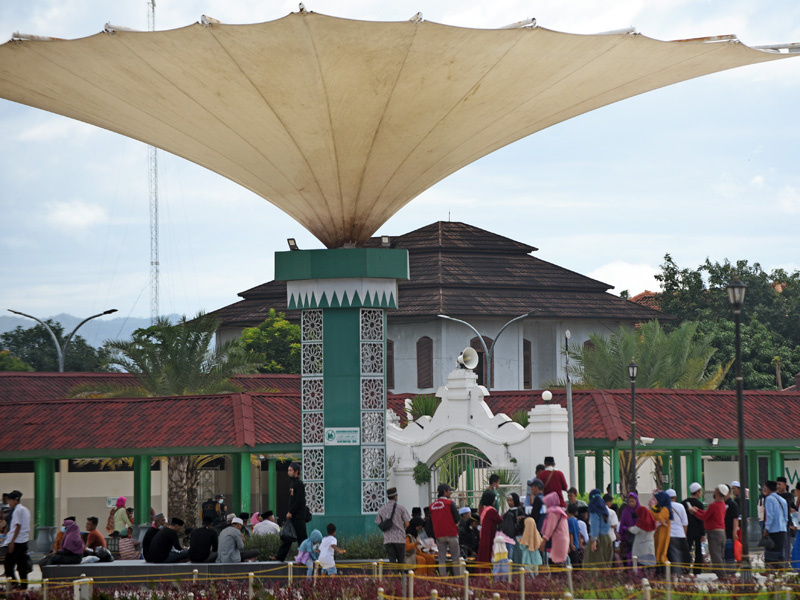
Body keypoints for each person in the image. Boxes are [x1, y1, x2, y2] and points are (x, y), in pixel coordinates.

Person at [688, 484, 728, 578]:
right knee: (720, 555)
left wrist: (694, 512)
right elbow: (707, 514)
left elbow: (704, 517)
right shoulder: (722, 504)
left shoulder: (713, 505)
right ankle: (723, 575)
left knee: (716, 556)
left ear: (718, 492)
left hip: (714, 533)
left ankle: (722, 576)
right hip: (722, 532)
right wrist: (698, 510)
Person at [275, 462, 308, 562]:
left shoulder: (299, 484)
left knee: (302, 538)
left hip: (298, 516)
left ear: (296, 472)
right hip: (293, 516)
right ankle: (280, 556)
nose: (288, 472)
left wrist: (291, 512)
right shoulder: (293, 484)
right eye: (288, 470)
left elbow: (300, 501)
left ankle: (306, 557)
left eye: (290, 470)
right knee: (288, 536)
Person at [429, 483, 462, 576]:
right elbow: (457, 519)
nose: (450, 493)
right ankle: (457, 579)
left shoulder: (432, 506)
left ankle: (443, 581)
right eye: (449, 491)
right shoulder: (450, 503)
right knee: (455, 558)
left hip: (439, 535)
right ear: (445, 492)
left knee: (441, 559)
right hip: (451, 533)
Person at [2, 490, 31, 589]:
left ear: (15, 500)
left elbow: (17, 526)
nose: (9, 503)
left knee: (8, 565)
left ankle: (13, 584)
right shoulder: (26, 510)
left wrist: (12, 542)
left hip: (17, 541)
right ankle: (24, 585)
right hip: (24, 541)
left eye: (9, 500)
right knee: (22, 564)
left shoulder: (17, 511)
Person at [375, 486, 411, 565]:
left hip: (388, 539)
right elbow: (407, 523)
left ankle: (393, 576)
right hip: (399, 539)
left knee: (392, 561)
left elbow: (378, 522)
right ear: (395, 497)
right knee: (401, 560)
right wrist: (402, 528)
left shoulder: (382, 509)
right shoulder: (401, 508)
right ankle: (401, 576)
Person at [539, 491, 569, 566]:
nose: (545, 505)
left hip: (558, 540)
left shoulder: (553, 513)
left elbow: (549, 529)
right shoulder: (560, 511)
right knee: (559, 563)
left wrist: (543, 542)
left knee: (555, 563)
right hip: (563, 539)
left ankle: (557, 578)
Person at [762, 480, 788, 567]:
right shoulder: (783, 500)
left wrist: (766, 529)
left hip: (773, 531)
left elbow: (770, 516)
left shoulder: (769, 499)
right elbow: (785, 517)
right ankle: (779, 573)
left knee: (771, 555)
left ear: (768, 488)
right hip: (782, 530)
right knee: (780, 552)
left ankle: (771, 574)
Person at [584, 489, 612, 568]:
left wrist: (594, 541)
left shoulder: (593, 509)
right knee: (606, 564)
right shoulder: (605, 510)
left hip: (599, 539)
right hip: (607, 538)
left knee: (591, 565)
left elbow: (595, 526)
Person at [683, 483, 706, 575]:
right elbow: (701, 519)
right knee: (698, 551)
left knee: (687, 550)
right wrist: (703, 533)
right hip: (697, 531)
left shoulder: (684, 503)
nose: (701, 493)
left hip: (687, 530)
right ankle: (697, 570)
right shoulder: (699, 504)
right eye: (700, 491)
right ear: (697, 492)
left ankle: (686, 569)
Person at [665, 489, 690, 574]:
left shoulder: (664, 507)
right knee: (683, 554)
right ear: (675, 497)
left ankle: (675, 574)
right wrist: (685, 534)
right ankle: (683, 572)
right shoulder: (681, 506)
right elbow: (685, 523)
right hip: (681, 534)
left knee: (673, 555)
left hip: (669, 535)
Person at [477, 490, 503, 571]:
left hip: (483, 534)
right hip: (489, 534)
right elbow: (500, 520)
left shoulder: (483, 509)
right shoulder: (491, 510)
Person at [651, 491, 672, 569]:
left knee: (661, 550)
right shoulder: (659, 508)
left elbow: (660, 517)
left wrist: (653, 513)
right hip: (658, 533)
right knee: (657, 549)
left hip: (663, 534)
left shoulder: (665, 509)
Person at [723, 484, 740, 571]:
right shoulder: (721, 504)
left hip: (729, 534)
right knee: (723, 556)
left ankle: (731, 573)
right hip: (722, 533)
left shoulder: (732, 504)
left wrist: (734, 532)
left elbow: (735, 518)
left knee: (729, 555)